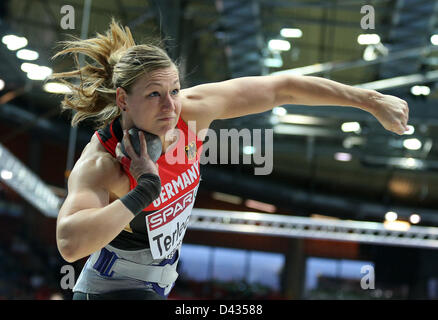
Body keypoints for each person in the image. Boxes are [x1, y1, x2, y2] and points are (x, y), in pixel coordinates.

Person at [53, 19, 409, 300]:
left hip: (157, 285)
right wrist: (142, 191)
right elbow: (70, 245)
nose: (170, 106)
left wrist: (370, 100)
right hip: (112, 289)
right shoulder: (104, 162)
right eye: (154, 94)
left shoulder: (191, 113)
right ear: (123, 99)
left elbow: (281, 88)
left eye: (175, 90)